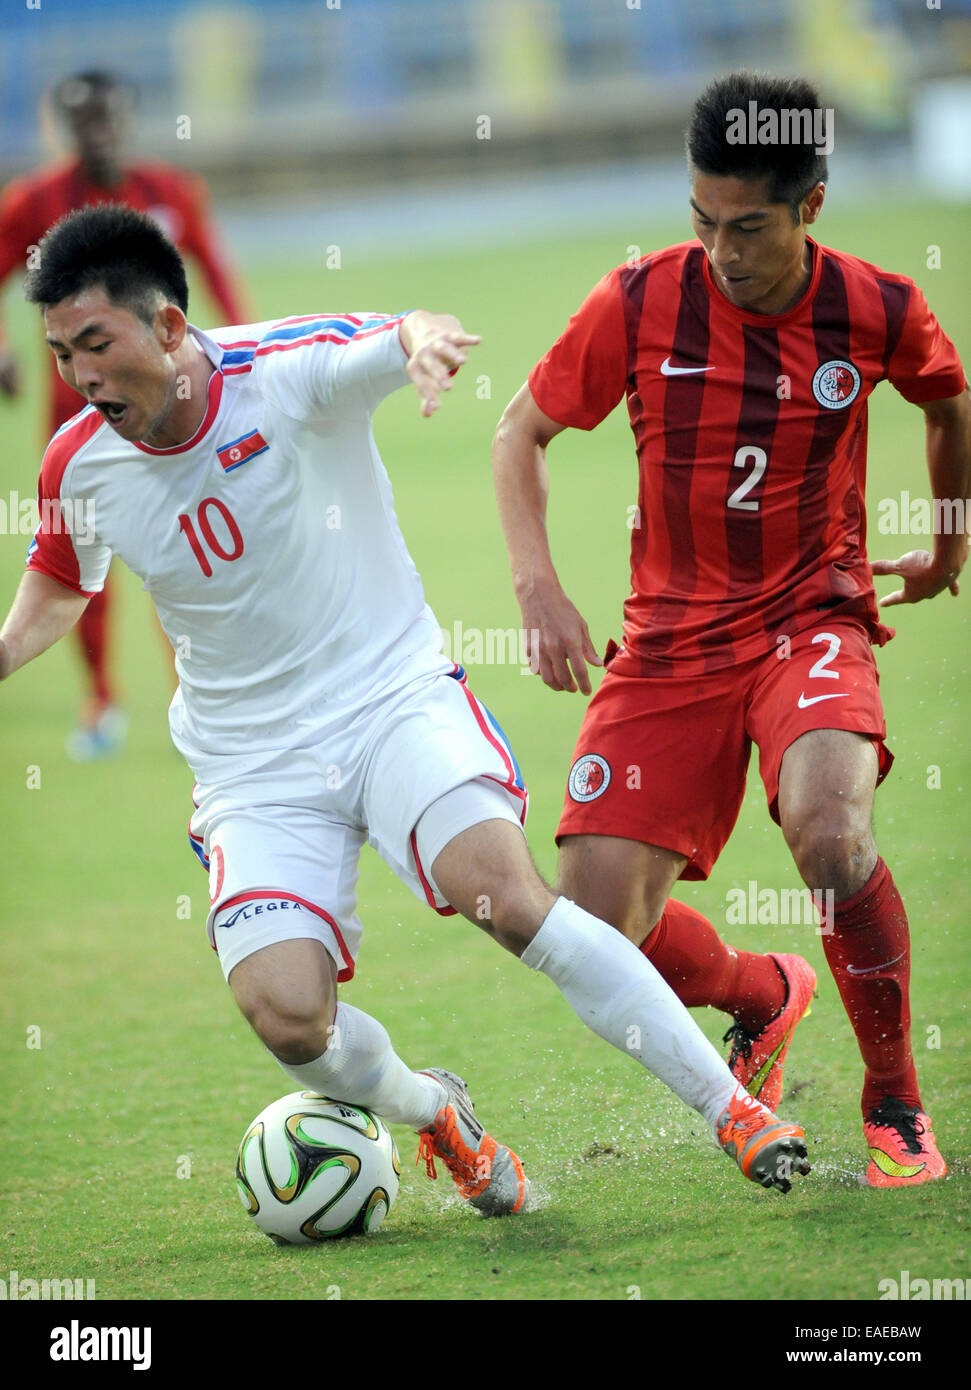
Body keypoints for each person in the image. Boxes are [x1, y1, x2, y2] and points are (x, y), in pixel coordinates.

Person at [0, 204, 811, 1218]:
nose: (78, 375)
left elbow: (390, 334)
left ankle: (729, 1109)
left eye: (95, 344)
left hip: (387, 699)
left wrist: (423, 344)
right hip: (250, 768)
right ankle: (435, 1113)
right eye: (60, 353)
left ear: (166, 328)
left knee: (506, 898)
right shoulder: (78, 462)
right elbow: (60, 587)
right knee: (289, 1018)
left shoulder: (282, 372)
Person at [492, 71, 968, 1189]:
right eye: (700, 221)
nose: (717, 249)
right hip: (667, 641)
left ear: (810, 205)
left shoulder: (879, 307)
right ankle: (763, 991)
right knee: (591, 925)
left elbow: (946, 404)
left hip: (810, 614)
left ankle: (893, 1097)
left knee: (827, 831)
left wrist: (947, 546)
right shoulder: (640, 298)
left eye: (745, 227)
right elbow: (519, 432)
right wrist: (534, 585)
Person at [0, 70, 248, 758]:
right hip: (76, 422)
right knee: (79, 563)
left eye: (108, 118)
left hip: (175, 413)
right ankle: (101, 697)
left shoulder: (171, 194)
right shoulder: (32, 204)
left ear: (127, 118)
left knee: (188, 550)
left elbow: (220, 274)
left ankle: (198, 694)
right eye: (83, 122)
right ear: (65, 129)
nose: (98, 133)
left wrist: (251, 356)